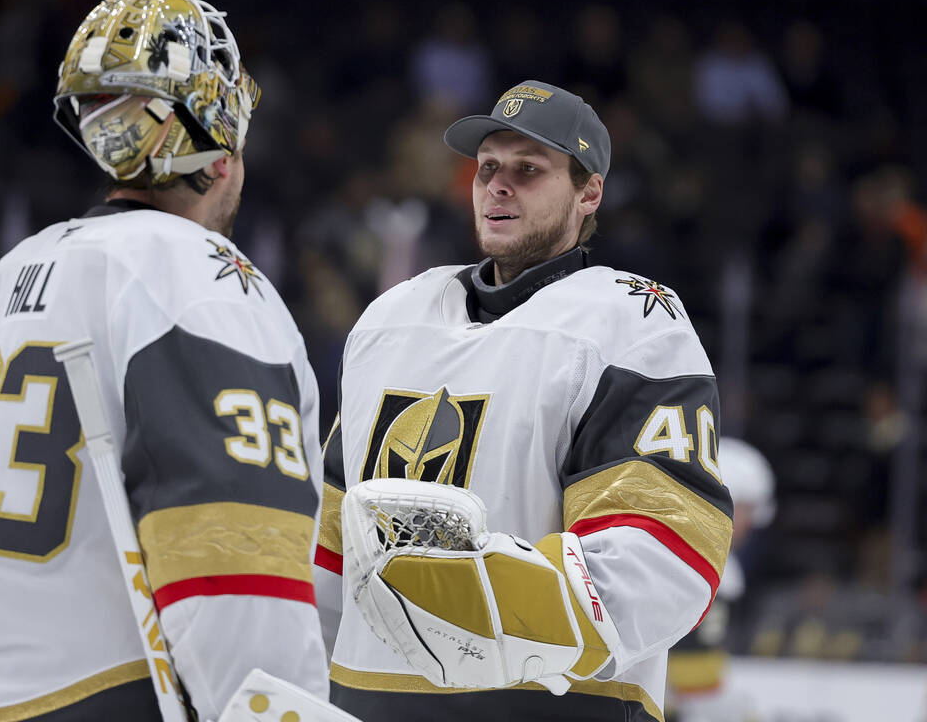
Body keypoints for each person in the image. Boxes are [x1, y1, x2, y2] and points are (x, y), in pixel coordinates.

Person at [0, 0, 329, 721]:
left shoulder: (18, 270)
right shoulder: (204, 280)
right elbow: (236, 567)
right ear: (218, 140)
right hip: (104, 698)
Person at [313, 79, 733, 721]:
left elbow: (665, 551)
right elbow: (329, 542)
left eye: (528, 170)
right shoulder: (390, 320)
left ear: (589, 191)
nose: (497, 186)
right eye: (487, 169)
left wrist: (476, 604)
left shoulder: (637, 323)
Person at [667, 437, 775, 722]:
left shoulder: (724, 569)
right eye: (745, 508)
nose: (750, 523)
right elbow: (689, 671)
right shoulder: (686, 563)